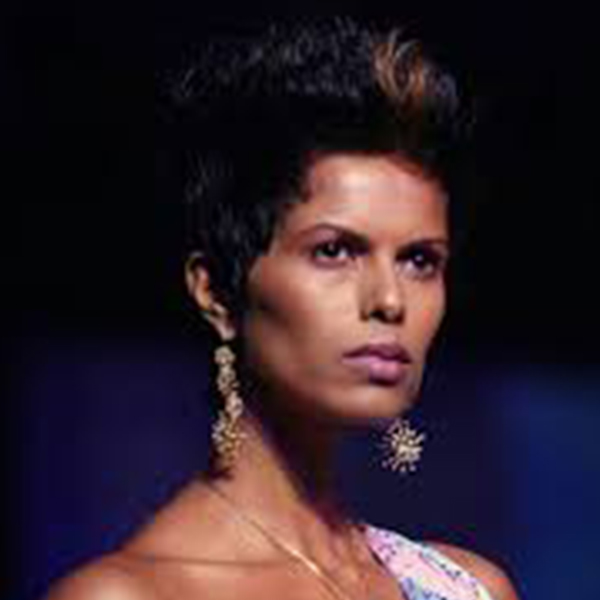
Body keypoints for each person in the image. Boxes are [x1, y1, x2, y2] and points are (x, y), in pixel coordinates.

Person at [46, 18, 520, 600]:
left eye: (419, 260)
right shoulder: (129, 596)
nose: (390, 300)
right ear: (215, 291)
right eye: (334, 251)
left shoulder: (472, 588)